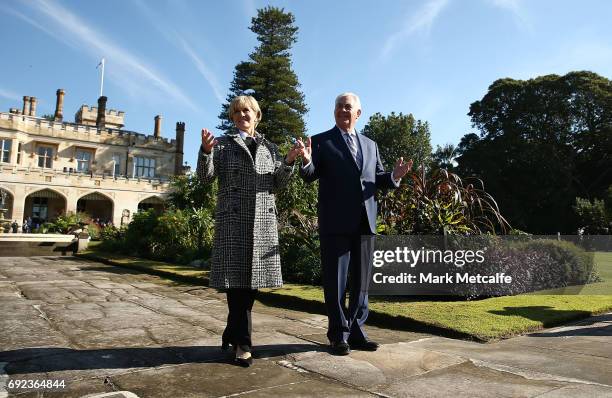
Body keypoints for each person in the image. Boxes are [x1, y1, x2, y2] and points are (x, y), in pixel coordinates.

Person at [298, 92, 412, 355]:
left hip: (365, 222)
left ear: (358, 113)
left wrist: (394, 175)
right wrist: (305, 159)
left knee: (361, 283)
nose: (342, 110)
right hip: (335, 223)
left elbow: (377, 178)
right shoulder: (320, 141)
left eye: (347, 107)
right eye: (338, 106)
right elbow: (310, 175)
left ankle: (358, 331)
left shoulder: (371, 145)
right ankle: (338, 335)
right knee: (336, 283)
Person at [197, 95, 301, 367]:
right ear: (232, 117)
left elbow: (278, 183)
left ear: (257, 116)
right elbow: (205, 177)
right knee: (237, 286)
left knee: (250, 287)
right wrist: (206, 152)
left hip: (262, 224)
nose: (243, 114)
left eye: (248, 111)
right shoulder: (222, 146)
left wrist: (289, 160)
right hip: (233, 224)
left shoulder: (270, 148)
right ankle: (243, 343)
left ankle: (230, 334)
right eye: (238, 111)